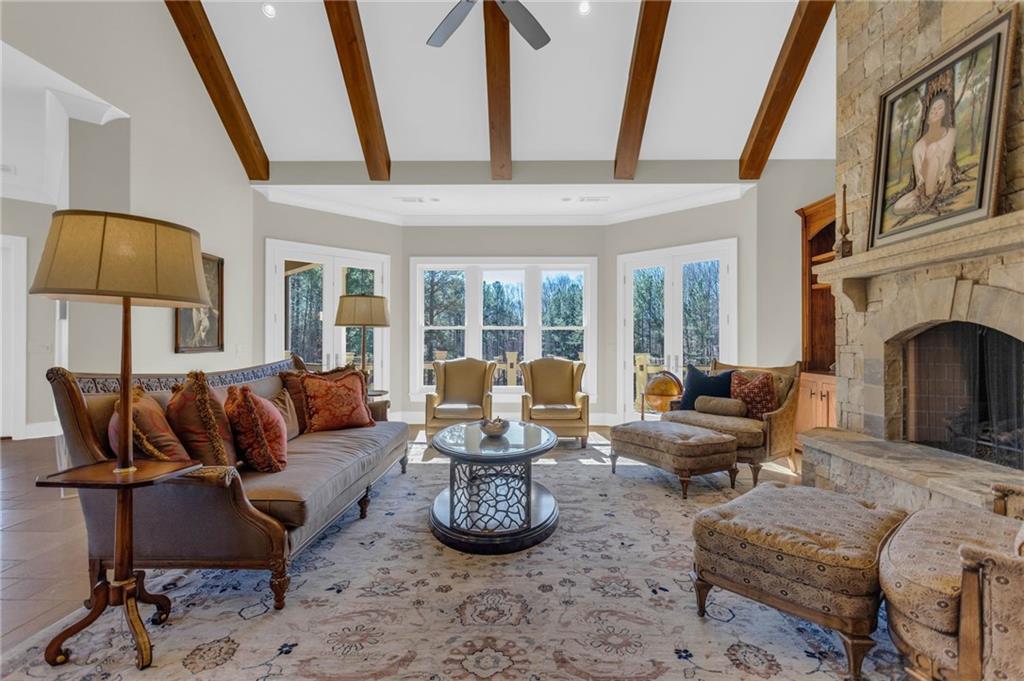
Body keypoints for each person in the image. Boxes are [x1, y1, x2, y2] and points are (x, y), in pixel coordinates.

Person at [892, 92, 957, 216]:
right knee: (898, 207)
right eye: (933, 109)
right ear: (927, 117)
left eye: (940, 108)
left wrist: (941, 176)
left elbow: (946, 164)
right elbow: (919, 176)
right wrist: (921, 186)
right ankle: (924, 202)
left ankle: (930, 199)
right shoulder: (918, 146)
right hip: (925, 187)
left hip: (942, 181)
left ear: (944, 112)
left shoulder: (951, 134)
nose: (935, 111)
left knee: (933, 148)